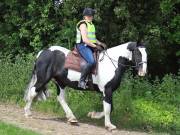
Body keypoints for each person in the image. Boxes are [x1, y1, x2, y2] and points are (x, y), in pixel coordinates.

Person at [76, 7, 106, 89]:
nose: (91, 17)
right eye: (89, 15)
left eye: (91, 15)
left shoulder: (91, 25)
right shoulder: (83, 24)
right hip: (82, 46)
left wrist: (100, 43)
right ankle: (81, 81)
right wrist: (95, 46)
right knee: (92, 61)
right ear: (85, 16)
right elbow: (85, 40)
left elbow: (93, 38)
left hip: (90, 45)